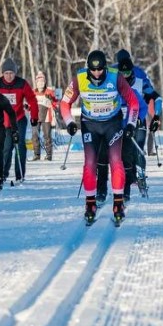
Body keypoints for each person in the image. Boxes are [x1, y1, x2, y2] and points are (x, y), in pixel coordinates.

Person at [59, 50, 140, 224]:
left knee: (115, 160)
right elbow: (65, 103)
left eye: (100, 70)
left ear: (105, 67)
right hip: (90, 124)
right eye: (93, 70)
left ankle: (118, 202)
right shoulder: (79, 79)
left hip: (112, 123)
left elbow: (133, 102)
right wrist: (69, 122)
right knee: (90, 162)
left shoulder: (115, 77)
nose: (97, 74)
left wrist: (131, 124)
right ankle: (90, 203)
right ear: (88, 69)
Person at [106, 49, 159, 201]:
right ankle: (124, 182)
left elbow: (149, 97)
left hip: (137, 121)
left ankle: (140, 177)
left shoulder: (140, 75)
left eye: (128, 72)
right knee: (123, 155)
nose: (125, 75)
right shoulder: (113, 75)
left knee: (138, 149)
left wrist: (143, 117)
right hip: (119, 124)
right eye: (122, 73)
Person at [0, 58, 39, 185]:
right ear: (3, 73)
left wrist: (34, 116)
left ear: (15, 73)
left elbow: (32, 100)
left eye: (11, 73)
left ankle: (20, 175)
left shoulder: (22, 84)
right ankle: (3, 174)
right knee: (6, 148)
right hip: (4, 122)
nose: (9, 76)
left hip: (18, 120)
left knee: (20, 146)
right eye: (6, 73)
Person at [32, 71, 57, 160]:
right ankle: (36, 155)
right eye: (39, 82)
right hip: (35, 117)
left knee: (47, 136)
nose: (41, 83)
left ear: (45, 82)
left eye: (42, 81)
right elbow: (29, 105)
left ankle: (49, 155)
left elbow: (56, 104)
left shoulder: (49, 91)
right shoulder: (33, 92)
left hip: (46, 116)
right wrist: (27, 106)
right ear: (36, 82)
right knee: (35, 135)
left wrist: (52, 99)